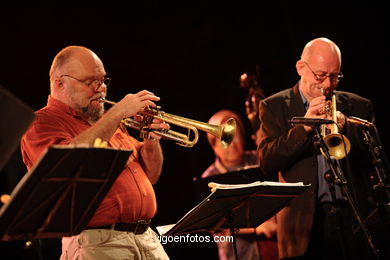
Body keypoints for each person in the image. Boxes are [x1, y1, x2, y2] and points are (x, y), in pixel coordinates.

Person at [20, 46, 170, 260]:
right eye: (90, 82)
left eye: (103, 81)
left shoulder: (108, 121)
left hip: (146, 238)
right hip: (97, 242)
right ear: (59, 83)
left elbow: (151, 176)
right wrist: (118, 112)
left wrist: (151, 140)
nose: (101, 89)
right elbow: (66, 161)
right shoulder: (41, 122)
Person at [257, 37, 390, 259]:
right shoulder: (273, 106)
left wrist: (346, 128)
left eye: (334, 76)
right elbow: (267, 161)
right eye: (320, 76)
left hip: (355, 219)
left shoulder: (359, 106)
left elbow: (373, 161)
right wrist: (305, 127)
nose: (327, 85)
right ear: (301, 68)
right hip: (303, 225)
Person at [202, 109, 278, 260]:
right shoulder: (210, 177)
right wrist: (256, 229)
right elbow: (218, 228)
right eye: (227, 139)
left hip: (274, 247)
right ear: (214, 146)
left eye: (237, 138)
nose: (234, 145)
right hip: (238, 254)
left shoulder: (258, 160)